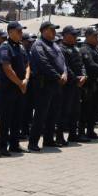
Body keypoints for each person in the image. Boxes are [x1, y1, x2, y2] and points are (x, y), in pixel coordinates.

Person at [27, 21, 66, 152]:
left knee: (53, 113)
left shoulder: (55, 45)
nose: (54, 32)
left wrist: (64, 72)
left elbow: (62, 61)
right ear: (43, 31)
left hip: (56, 84)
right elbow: (43, 63)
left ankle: (49, 139)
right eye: (52, 29)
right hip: (44, 84)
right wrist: (57, 75)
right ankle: (33, 142)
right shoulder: (38, 45)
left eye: (55, 30)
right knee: (41, 115)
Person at [0, 21, 29, 156]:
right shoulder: (5, 47)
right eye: (19, 31)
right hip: (8, 89)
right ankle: (3, 146)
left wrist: (26, 80)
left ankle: (14, 144)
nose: (21, 33)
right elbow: (7, 68)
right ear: (10, 32)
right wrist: (19, 83)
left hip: (20, 88)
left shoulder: (21, 47)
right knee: (6, 119)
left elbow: (28, 64)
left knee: (17, 117)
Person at [57, 26, 86, 145]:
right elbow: (65, 67)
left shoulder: (76, 48)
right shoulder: (61, 49)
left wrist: (84, 75)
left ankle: (73, 135)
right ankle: (59, 136)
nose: (76, 37)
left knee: (75, 111)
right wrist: (76, 79)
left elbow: (82, 64)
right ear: (66, 35)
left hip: (77, 84)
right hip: (67, 85)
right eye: (73, 35)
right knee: (64, 111)